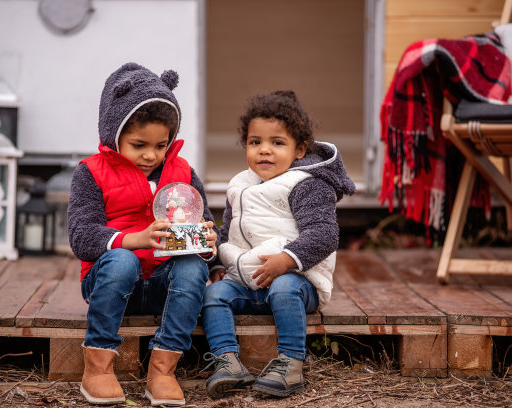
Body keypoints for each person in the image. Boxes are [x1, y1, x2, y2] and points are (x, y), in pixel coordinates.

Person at [68, 62, 217, 406]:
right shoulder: (91, 173)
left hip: (167, 287)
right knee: (121, 262)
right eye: (139, 145)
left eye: (161, 145)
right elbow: (81, 235)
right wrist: (134, 240)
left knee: (194, 266)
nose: (151, 155)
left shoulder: (183, 172)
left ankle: (163, 370)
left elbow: (206, 224)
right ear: (113, 132)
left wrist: (208, 243)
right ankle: (99, 367)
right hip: (112, 284)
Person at [201, 90, 355, 399]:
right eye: (255, 142)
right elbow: (230, 231)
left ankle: (290, 363)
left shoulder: (307, 184)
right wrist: (216, 259)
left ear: (299, 150)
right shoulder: (240, 184)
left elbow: (324, 234)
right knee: (214, 294)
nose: (264, 151)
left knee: (284, 287)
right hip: (249, 279)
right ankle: (227, 361)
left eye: (277, 143)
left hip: (299, 282)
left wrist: (286, 260)